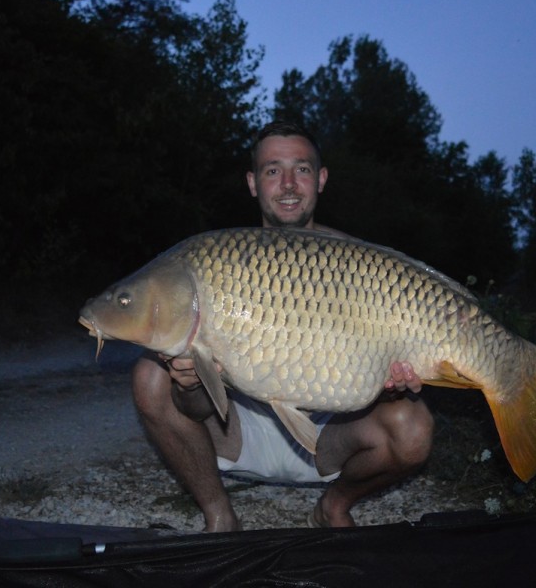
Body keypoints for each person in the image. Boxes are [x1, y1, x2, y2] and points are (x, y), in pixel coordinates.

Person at [132, 121, 434, 532]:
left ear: (321, 179)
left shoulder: (360, 266)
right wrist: (190, 383)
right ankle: (220, 517)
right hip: (239, 431)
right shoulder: (221, 266)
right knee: (151, 376)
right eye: (273, 171)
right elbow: (196, 409)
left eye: (302, 169)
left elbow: (397, 362)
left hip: (329, 438)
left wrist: (399, 375)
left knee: (413, 427)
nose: (288, 184)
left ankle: (333, 507)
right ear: (253, 183)